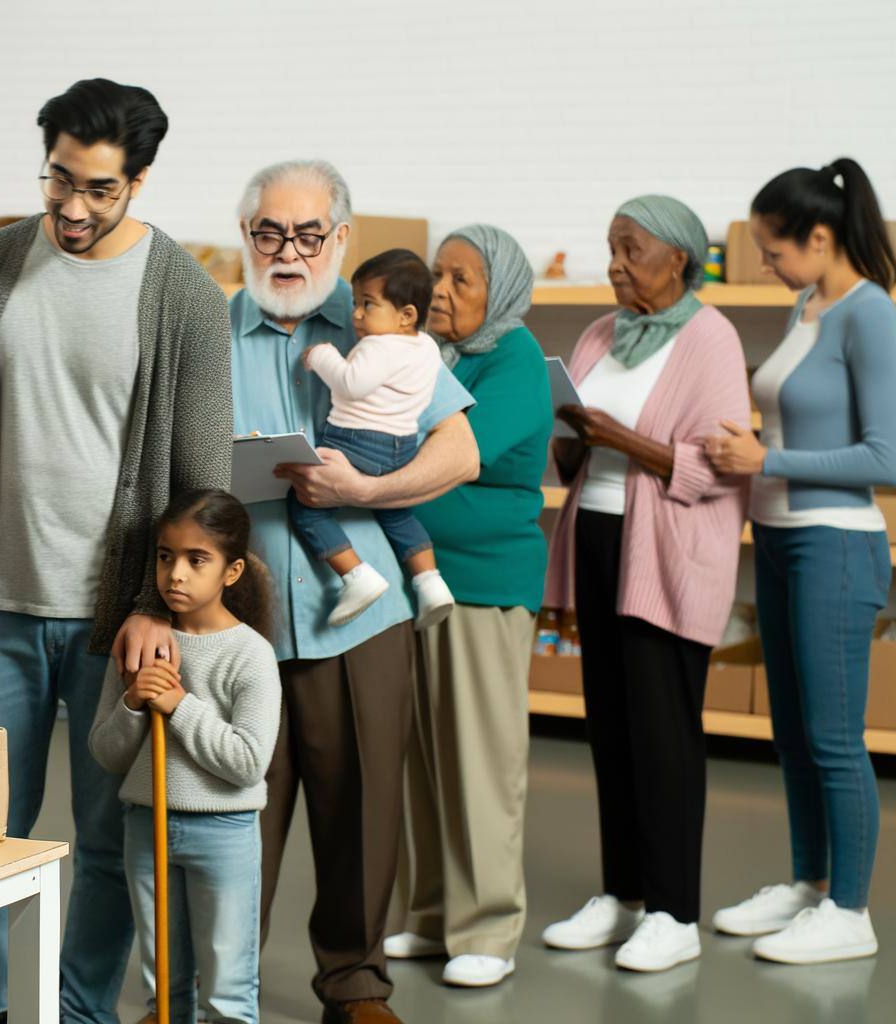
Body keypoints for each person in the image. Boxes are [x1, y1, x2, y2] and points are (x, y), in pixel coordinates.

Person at [0, 78, 233, 1024]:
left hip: (117, 624)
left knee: (104, 839)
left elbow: (202, 489)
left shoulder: (187, 299)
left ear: (140, 180)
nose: (74, 207)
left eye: (100, 189)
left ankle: (81, 1011)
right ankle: (12, 1010)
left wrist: (153, 604)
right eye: (60, 181)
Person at [231, 159, 479, 1024]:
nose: (288, 251)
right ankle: (222, 986)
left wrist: (364, 493)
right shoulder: (207, 333)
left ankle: (355, 984)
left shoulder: (387, 335)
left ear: (341, 239)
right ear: (248, 237)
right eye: (270, 232)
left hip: (362, 617)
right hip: (238, 622)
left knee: (364, 807)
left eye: (307, 234)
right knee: (234, 814)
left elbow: (461, 452)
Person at [538, 196, 752, 973]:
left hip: (664, 552)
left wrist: (620, 438)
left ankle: (675, 912)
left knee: (664, 736)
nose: (616, 265)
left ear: (681, 262)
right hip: (596, 538)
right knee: (611, 727)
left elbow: (718, 467)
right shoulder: (603, 331)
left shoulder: (713, 339)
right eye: (611, 249)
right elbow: (580, 452)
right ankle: (623, 894)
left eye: (631, 251)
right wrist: (565, 432)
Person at [704, 158, 896, 965]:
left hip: (839, 544)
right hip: (783, 540)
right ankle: (807, 885)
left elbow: (886, 457)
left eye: (775, 248)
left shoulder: (871, 313)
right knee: (791, 732)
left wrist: (767, 462)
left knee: (833, 739)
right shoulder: (806, 304)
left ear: (821, 238)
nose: (766, 263)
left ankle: (851, 912)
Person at [385, 225, 551, 989]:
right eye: (436, 276)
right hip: (417, 579)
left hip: (483, 584)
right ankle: (428, 914)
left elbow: (456, 454)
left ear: (501, 295)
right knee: (421, 756)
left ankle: (487, 925)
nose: (439, 292)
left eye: (461, 281)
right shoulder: (433, 356)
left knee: (480, 761)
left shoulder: (512, 358)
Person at [89, 489, 281, 1024]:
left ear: (232, 571)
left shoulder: (251, 655)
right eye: (165, 556)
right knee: (166, 991)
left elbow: (247, 761)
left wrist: (177, 705)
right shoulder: (140, 641)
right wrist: (132, 702)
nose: (176, 574)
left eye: (197, 561)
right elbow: (106, 753)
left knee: (227, 994)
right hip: (145, 826)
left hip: (224, 832)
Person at [296, 249, 453, 627]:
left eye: (369, 304)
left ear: (406, 315)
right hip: (401, 448)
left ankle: (356, 576)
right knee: (398, 513)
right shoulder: (428, 347)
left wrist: (321, 355)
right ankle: (430, 583)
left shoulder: (378, 346)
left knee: (306, 508)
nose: (357, 315)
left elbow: (351, 384)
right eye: (355, 303)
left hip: (356, 441)